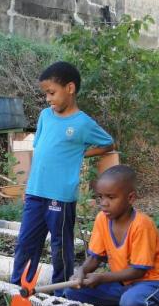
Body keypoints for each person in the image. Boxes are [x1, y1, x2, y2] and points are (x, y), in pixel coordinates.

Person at [10, 61, 114, 289]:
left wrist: (82, 152)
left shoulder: (83, 123)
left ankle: (62, 291)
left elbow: (108, 143)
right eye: (46, 94)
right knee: (27, 242)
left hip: (61, 196)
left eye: (51, 93)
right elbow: (41, 153)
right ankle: (20, 286)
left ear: (70, 88)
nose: (48, 99)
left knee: (60, 246)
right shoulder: (45, 116)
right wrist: (28, 187)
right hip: (36, 193)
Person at [64, 165, 159, 306]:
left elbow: (138, 272)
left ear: (130, 198)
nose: (104, 203)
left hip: (153, 284)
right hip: (123, 285)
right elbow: (94, 258)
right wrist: (81, 271)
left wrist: (101, 278)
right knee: (73, 292)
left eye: (111, 197)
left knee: (131, 302)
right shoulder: (102, 219)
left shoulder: (142, 225)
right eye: (100, 197)